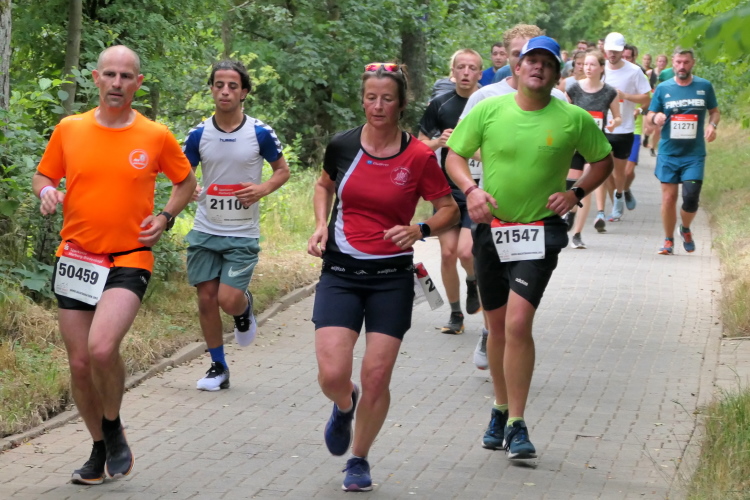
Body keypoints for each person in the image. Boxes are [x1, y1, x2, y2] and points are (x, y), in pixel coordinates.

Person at [32, 45, 197, 484]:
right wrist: (46, 191)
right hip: (76, 258)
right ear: (96, 78)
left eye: (126, 76)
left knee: (102, 349)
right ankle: (99, 447)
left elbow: (185, 182)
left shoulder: (155, 135)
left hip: (129, 257)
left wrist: (165, 217)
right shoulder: (70, 129)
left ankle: (112, 423)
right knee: (79, 364)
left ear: (137, 83)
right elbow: (44, 175)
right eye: (110, 74)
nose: (117, 83)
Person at [446, 36, 613, 460]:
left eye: (547, 63)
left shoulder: (573, 117)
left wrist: (575, 194)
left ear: (557, 75)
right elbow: (454, 155)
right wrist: (471, 190)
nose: (538, 67)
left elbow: (603, 160)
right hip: (492, 230)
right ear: (517, 68)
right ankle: (500, 410)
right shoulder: (489, 109)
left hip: (540, 230)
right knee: (497, 327)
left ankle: (518, 423)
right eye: (531, 60)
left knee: (519, 323)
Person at [308, 62, 458, 491]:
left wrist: (420, 229)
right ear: (362, 100)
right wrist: (320, 225)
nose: (378, 106)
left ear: (401, 103)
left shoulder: (419, 156)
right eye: (371, 97)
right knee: (332, 373)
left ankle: (358, 458)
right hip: (340, 272)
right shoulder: (343, 145)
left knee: (377, 374)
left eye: (387, 98)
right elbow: (323, 185)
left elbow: (449, 209)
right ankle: (344, 403)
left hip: (391, 277)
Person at [458, 23, 567, 371]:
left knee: (517, 319)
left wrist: (573, 192)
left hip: (535, 218)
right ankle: (490, 327)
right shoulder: (486, 98)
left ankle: (502, 333)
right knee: (465, 253)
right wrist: (487, 169)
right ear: (511, 59)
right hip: (486, 201)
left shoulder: (560, 101)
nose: (531, 64)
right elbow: (459, 147)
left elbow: (574, 150)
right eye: (521, 55)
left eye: (540, 59)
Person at [183, 61, 290, 391]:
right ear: (211, 90)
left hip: (241, 233)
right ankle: (218, 366)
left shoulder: (259, 132)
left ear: (244, 92)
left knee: (228, 300)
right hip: (206, 228)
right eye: (219, 85)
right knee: (206, 298)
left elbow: (282, 171)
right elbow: (183, 175)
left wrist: (262, 189)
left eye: (232, 86)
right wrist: (191, 189)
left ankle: (244, 309)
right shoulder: (199, 134)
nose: (225, 91)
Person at [419, 49, 483, 335]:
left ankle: (473, 280)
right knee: (447, 253)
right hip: (446, 193)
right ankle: (456, 314)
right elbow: (419, 146)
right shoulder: (440, 103)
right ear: (453, 72)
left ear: (480, 73)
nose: (466, 72)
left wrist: (468, 148)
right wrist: (439, 142)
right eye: (461, 67)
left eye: (472, 68)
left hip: (477, 190)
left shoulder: (489, 102)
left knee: (465, 251)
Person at [647, 48, 719, 255]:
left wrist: (712, 126)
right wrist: (656, 117)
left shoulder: (704, 86)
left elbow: (714, 112)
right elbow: (650, 114)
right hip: (669, 152)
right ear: (673, 62)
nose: (681, 66)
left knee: (691, 197)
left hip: (694, 154)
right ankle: (668, 240)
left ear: (692, 63)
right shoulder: (663, 88)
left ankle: (685, 228)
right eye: (678, 62)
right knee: (669, 198)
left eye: (686, 62)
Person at [567, 50, 622, 248]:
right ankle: (571, 212)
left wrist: (614, 123)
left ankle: (577, 234)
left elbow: (618, 116)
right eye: (585, 64)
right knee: (571, 186)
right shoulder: (573, 89)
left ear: (601, 68)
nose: (588, 68)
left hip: (595, 147)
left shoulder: (609, 92)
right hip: (575, 146)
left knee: (584, 189)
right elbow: (564, 114)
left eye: (592, 64)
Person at [600, 32, 651, 225]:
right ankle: (614, 204)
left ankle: (620, 193)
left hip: (624, 128)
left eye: (616, 51)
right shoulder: (600, 69)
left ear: (622, 51)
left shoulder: (634, 71)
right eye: (609, 50)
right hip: (602, 127)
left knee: (619, 172)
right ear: (604, 50)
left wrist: (626, 96)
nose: (612, 54)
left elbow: (646, 98)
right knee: (604, 170)